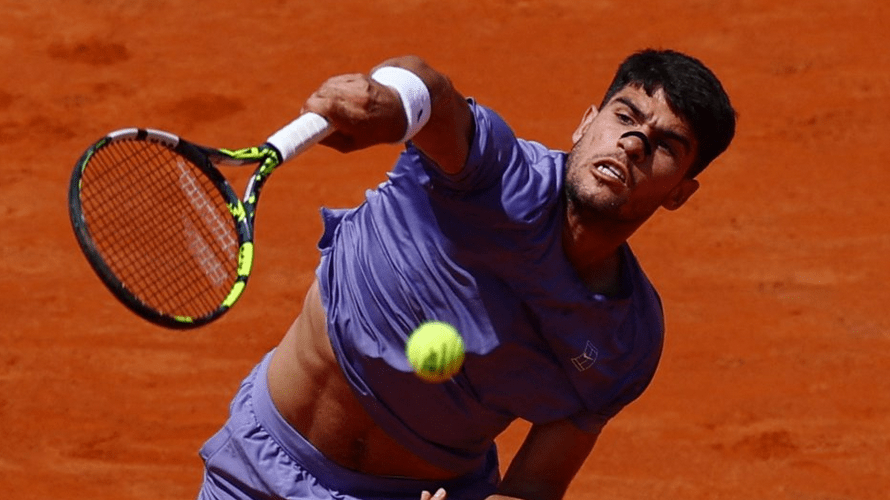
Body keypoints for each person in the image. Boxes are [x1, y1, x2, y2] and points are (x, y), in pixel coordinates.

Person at [197, 49, 736, 500]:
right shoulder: (493, 174)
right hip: (255, 470)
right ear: (585, 123)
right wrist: (392, 100)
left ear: (679, 193)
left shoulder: (624, 341)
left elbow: (535, 487)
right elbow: (433, 95)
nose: (633, 143)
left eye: (665, 145)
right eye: (625, 117)